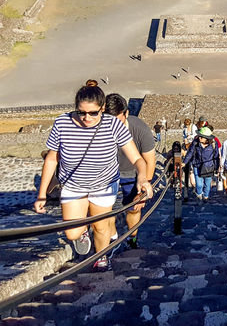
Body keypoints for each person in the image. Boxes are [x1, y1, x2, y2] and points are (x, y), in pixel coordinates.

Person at [34, 80, 153, 272]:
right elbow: (51, 160)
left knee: (100, 226)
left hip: (104, 185)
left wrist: (143, 177)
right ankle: (82, 235)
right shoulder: (62, 123)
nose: (86, 118)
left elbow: (137, 159)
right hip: (73, 185)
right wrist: (42, 194)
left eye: (93, 113)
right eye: (82, 112)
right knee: (72, 233)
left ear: (102, 108)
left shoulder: (114, 125)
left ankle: (101, 256)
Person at [104, 93, 156, 250]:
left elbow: (150, 161)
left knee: (134, 208)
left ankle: (132, 237)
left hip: (133, 173)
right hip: (107, 173)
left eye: (117, 120)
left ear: (126, 113)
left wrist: (142, 193)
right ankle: (112, 239)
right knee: (106, 210)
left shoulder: (140, 129)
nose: (113, 126)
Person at [183, 127, 220, 202]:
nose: (199, 137)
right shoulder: (196, 142)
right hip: (197, 165)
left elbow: (216, 156)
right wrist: (184, 162)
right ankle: (199, 195)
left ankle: (206, 196)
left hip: (208, 166)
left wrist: (217, 167)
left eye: (201, 137)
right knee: (199, 184)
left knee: (207, 184)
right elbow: (190, 152)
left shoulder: (213, 143)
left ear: (207, 138)